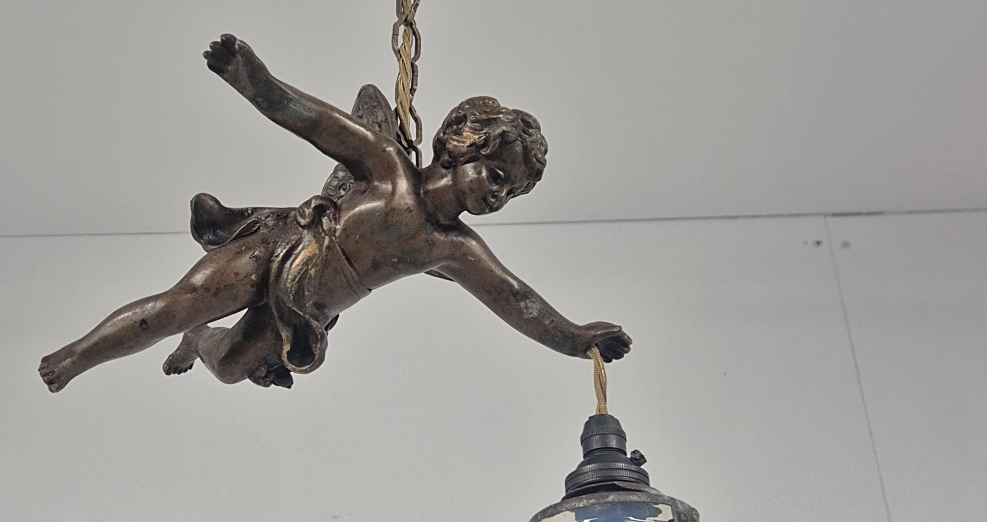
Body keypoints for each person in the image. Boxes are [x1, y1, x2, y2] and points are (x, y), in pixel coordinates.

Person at [38, 35, 631, 392]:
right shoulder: (388, 167)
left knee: (232, 368)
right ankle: (74, 357)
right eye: (496, 175)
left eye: (511, 193)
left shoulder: (455, 249)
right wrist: (252, 80)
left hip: (309, 308)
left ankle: (198, 340)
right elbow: (313, 120)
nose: (497, 197)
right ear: (459, 146)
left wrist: (578, 340)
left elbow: (517, 301)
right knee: (178, 305)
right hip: (280, 250)